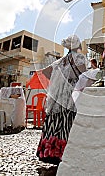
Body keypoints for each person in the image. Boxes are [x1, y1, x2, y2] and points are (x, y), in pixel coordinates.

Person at [36, 35, 87, 165]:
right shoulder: (79, 58)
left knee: (55, 121)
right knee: (68, 121)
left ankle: (50, 152)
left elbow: (46, 72)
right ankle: (65, 154)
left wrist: (57, 81)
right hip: (71, 95)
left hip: (57, 96)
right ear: (76, 46)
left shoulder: (61, 61)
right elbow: (84, 75)